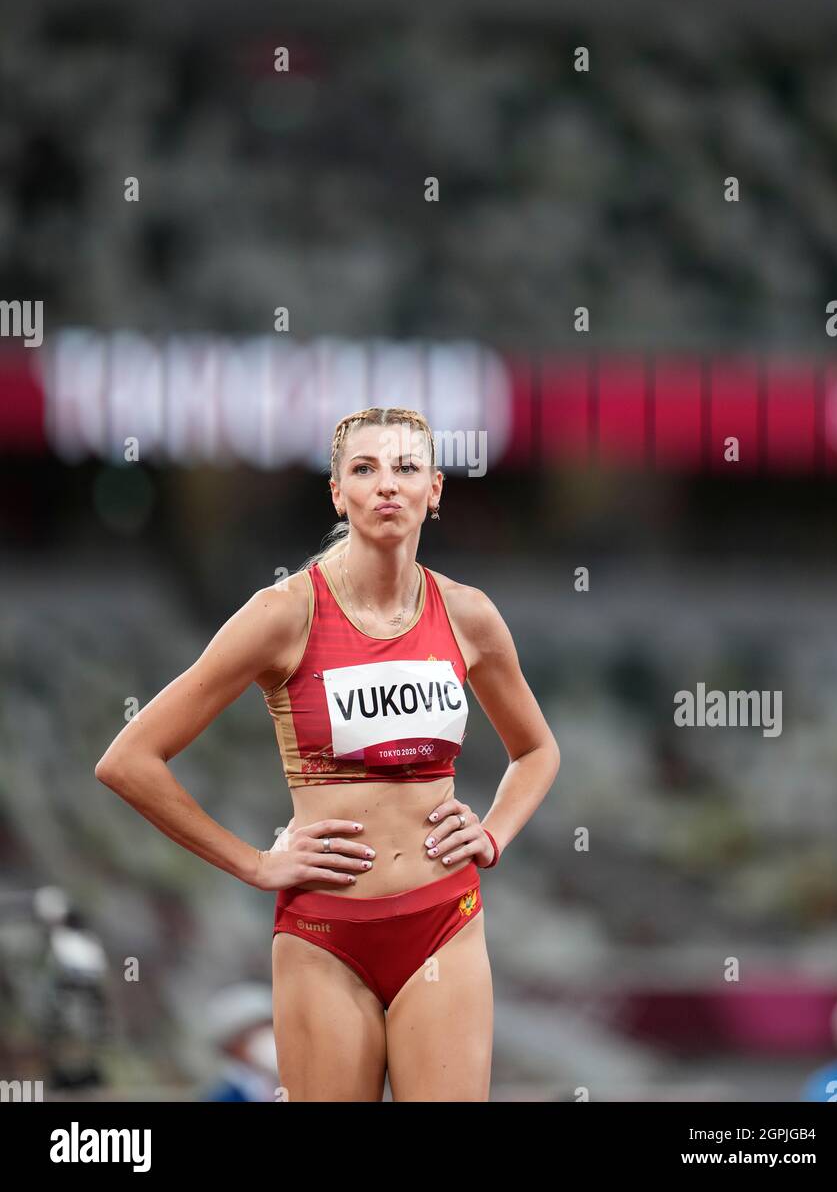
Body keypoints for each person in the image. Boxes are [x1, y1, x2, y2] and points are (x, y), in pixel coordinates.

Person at [95, 405, 560, 1101]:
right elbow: (129, 759)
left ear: (435, 489)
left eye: (406, 469)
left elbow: (537, 750)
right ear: (337, 492)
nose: (387, 486)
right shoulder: (282, 613)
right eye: (365, 469)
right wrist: (253, 862)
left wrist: (493, 833)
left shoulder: (468, 614)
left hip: (445, 924)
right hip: (325, 933)